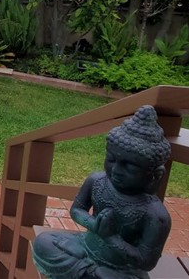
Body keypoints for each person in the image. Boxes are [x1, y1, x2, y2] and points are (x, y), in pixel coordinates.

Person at [32, 105, 172, 279]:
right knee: (43, 242)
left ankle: (88, 272)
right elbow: (76, 210)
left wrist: (111, 237)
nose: (116, 170)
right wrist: (94, 225)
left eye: (130, 166)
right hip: (86, 246)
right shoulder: (97, 181)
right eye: (111, 159)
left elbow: (146, 262)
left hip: (121, 268)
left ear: (154, 174)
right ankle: (91, 272)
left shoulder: (156, 215)